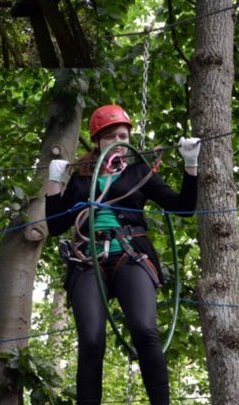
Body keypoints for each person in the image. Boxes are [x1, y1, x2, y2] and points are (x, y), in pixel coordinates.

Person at [43, 104, 201, 405]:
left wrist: (190, 165)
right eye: (114, 135)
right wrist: (54, 181)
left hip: (130, 253)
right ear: (99, 140)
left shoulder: (139, 172)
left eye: (125, 135)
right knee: (91, 341)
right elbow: (54, 226)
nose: (121, 140)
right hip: (87, 258)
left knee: (144, 330)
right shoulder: (80, 178)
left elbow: (183, 208)